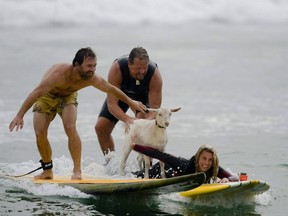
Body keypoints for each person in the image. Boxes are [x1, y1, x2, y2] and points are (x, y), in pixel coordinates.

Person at [9, 47, 146, 180]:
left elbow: (111, 89)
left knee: (70, 127)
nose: (92, 70)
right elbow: (36, 93)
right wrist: (20, 115)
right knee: (40, 133)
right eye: (88, 66)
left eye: (94, 66)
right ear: (76, 65)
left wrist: (130, 102)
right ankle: (47, 170)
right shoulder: (57, 75)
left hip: (68, 97)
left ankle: (77, 170)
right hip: (47, 97)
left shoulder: (91, 78)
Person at [95, 47, 163, 157]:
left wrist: (141, 125)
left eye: (144, 68)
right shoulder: (117, 68)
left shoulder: (154, 75)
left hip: (143, 98)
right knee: (101, 127)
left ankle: (145, 167)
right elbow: (112, 105)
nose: (142, 72)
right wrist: (127, 119)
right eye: (138, 68)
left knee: (144, 127)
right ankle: (111, 165)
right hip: (122, 95)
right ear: (129, 65)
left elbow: (155, 110)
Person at [132, 144, 239, 183]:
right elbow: (160, 155)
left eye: (210, 160)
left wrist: (227, 179)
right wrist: (134, 146)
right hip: (160, 172)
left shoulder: (213, 167)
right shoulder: (182, 165)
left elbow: (234, 177)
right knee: (136, 176)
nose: (207, 163)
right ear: (197, 159)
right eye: (204, 158)